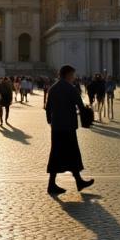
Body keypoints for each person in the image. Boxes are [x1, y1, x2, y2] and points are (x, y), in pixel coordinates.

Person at [45, 65, 95, 196]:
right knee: (73, 153)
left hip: (56, 127)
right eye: (73, 75)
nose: (74, 77)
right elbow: (80, 105)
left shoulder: (53, 88)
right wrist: (88, 113)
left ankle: (70, 182)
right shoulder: (70, 89)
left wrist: (51, 121)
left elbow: (48, 107)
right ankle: (75, 182)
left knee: (56, 154)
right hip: (68, 126)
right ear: (67, 75)